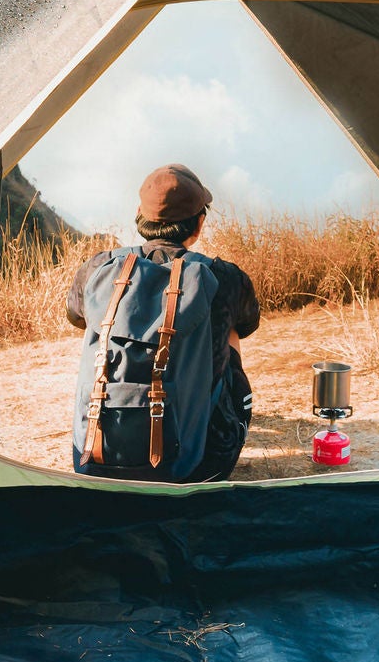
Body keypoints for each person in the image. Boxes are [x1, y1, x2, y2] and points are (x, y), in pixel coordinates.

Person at [66, 164, 260, 481]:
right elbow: (248, 324)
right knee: (230, 330)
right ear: (198, 224)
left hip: (96, 457)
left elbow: (76, 318)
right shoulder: (224, 277)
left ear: (140, 216)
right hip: (200, 466)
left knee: (99, 329)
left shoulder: (98, 268)